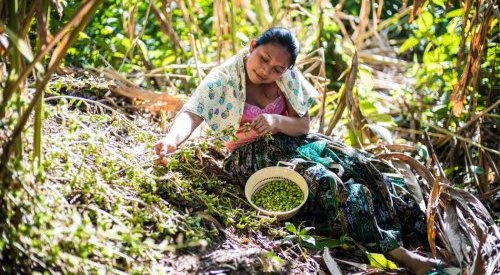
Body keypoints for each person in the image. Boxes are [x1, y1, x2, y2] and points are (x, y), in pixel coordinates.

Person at [154, 27, 443, 275]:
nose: (266, 70)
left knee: (361, 165)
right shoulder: (223, 80)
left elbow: (303, 125)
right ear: (252, 46)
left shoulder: (286, 78)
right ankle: (398, 254)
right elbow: (192, 112)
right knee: (325, 180)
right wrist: (171, 141)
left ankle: (420, 231)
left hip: (292, 140)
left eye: (277, 68)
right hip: (251, 155)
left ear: (287, 70)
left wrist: (276, 121)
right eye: (263, 58)